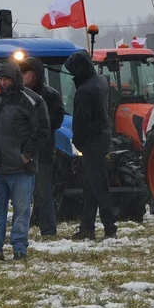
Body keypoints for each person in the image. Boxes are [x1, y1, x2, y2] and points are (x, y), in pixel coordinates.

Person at [0, 61, 49, 261]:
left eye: (7, 79)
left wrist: (26, 155)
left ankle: (19, 249)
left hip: (21, 169)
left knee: (22, 211)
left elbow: (42, 131)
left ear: (15, 79)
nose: (4, 83)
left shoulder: (32, 101)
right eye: (1, 79)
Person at [64, 50, 116, 241]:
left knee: (97, 186)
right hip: (102, 137)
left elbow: (81, 122)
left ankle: (109, 227)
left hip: (91, 142)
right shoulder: (101, 81)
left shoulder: (84, 91)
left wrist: (78, 141)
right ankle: (88, 225)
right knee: (91, 185)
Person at [19, 57, 65, 237]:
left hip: (42, 151)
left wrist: (35, 133)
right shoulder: (18, 95)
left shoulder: (50, 96)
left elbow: (54, 122)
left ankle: (48, 229)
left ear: (36, 75)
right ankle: (25, 226)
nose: (21, 76)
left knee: (43, 191)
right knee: (22, 193)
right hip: (20, 150)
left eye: (25, 73)